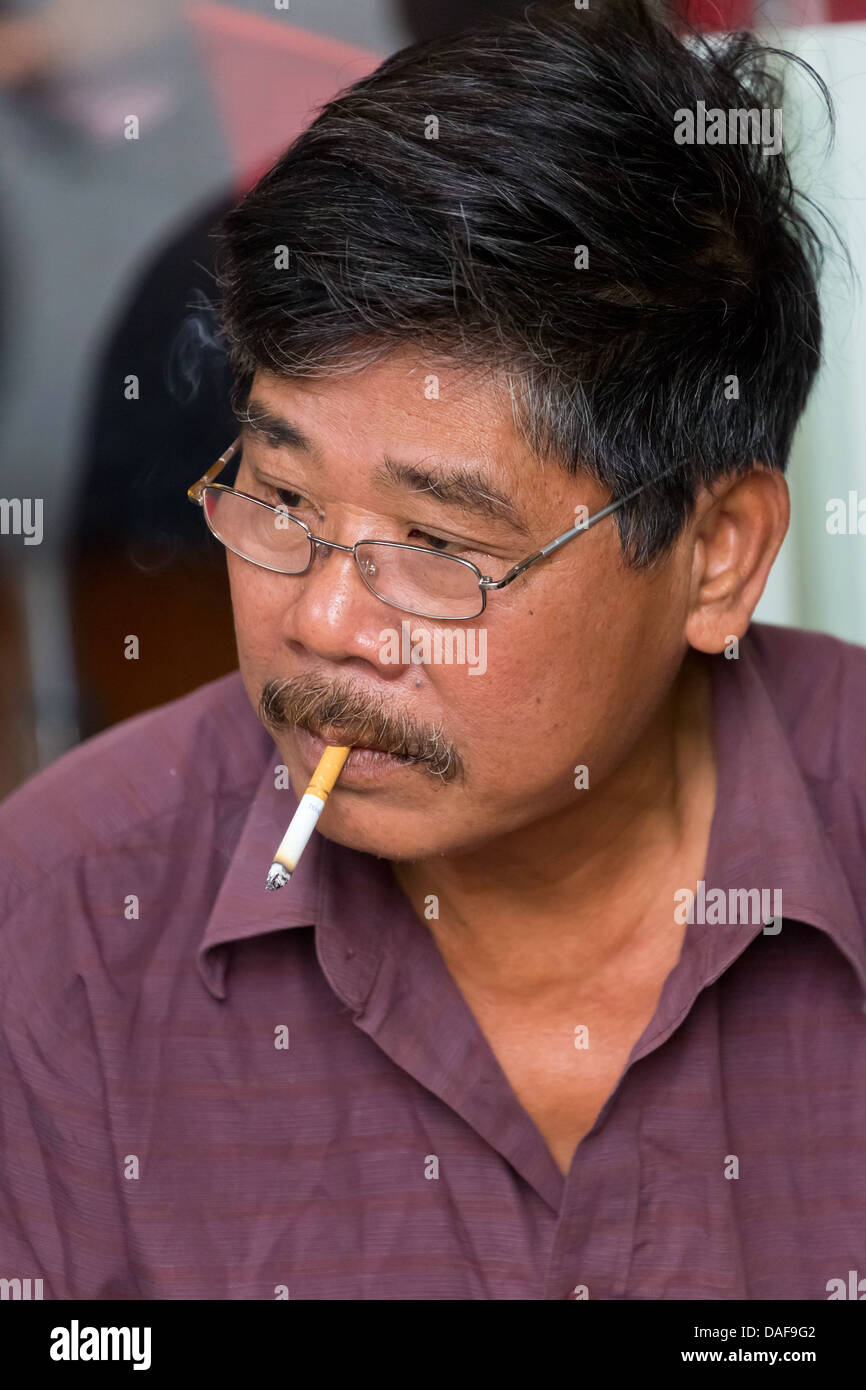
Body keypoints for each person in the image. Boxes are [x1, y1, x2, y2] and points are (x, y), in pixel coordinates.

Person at [2, 0, 864, 1301]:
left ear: (716, 553)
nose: (325, 625)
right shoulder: (66, 921)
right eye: (282, 503)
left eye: (439, 545)